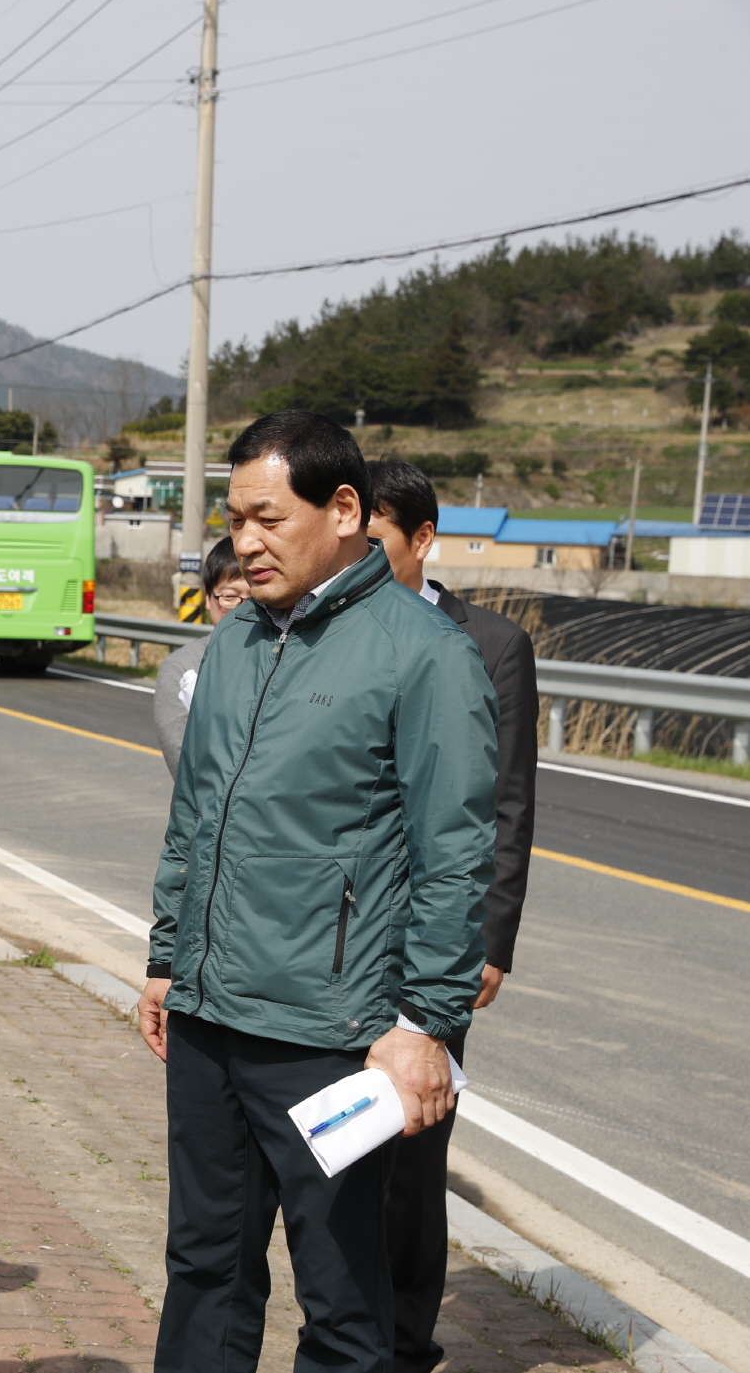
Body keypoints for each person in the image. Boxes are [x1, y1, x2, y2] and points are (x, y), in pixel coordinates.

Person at [138, 410, 498, 1373]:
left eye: (266, 516)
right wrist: (168, 959)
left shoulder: (425, 655)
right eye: (234, 517)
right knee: (204, 1268)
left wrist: (425, 1020)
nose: (244, 542)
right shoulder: (239, 644)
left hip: (333, 1036)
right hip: (211, 1020)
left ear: (343, 509)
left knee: (341, 1295)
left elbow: (456, 855)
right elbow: (196, 818)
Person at [365, 459, 537, 1373]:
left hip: (434, 940)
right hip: (337, 937)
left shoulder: (493, 644)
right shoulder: (331, 628)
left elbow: (506, 804)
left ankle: (402, 1342)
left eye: (378, 542)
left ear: (422, 538)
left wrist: (488, 939)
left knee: (411, 1156)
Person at [152, 535, 249, 775]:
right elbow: (187, 770)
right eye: (229, 596)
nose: (244, 608)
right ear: (208, 597)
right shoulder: (183, 668)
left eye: (255, 597)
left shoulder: (294, 658)